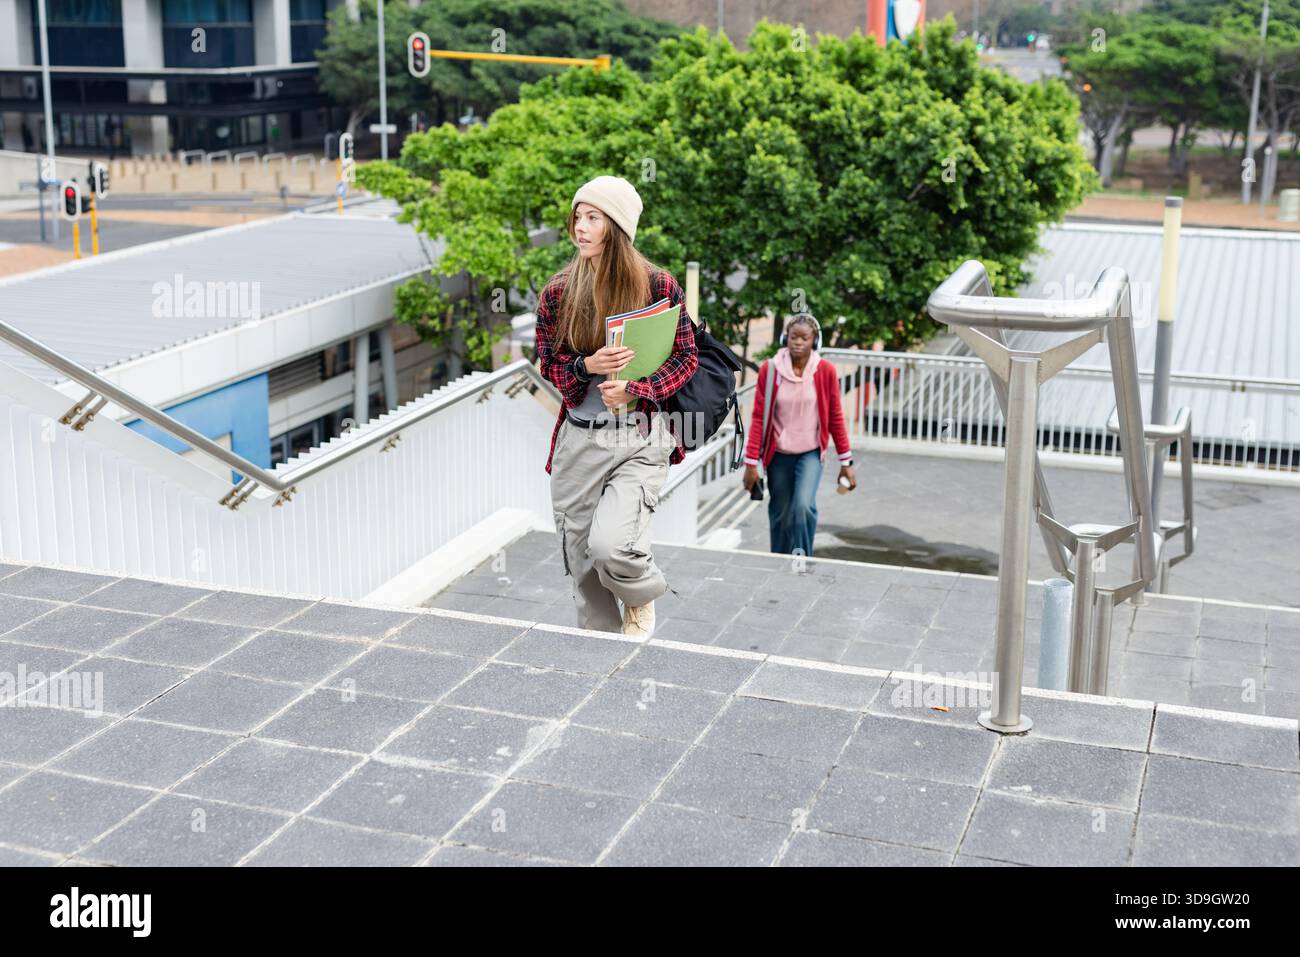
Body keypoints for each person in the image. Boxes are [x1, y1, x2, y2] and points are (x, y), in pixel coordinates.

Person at [534, 175, 699, 637]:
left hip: (638, 439)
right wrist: (586, 365)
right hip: (579, 439)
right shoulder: (559, 291)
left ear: (618, 227)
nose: (580, 228)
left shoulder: (657, 285)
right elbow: (549, 365)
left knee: (611, 547)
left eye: (593, 218)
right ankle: (603, 652)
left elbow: (687, 356)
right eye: (577, 218)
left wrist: (638, 389)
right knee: (582, 560)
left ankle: (641, 596)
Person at [742, 314, 856, 555]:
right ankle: (780, 561)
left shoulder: (824, 371)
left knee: (803, 505)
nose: (798, 342)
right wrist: (751, 463)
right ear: (786, 338)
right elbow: (759, 418)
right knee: (781, 511)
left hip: (810, 453)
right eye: (794, 336)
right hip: (778, 455)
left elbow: (835, 417)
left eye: (805, 337)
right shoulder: (770, 370)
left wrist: (846, 462)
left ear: (815, 341)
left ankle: (802, 559)